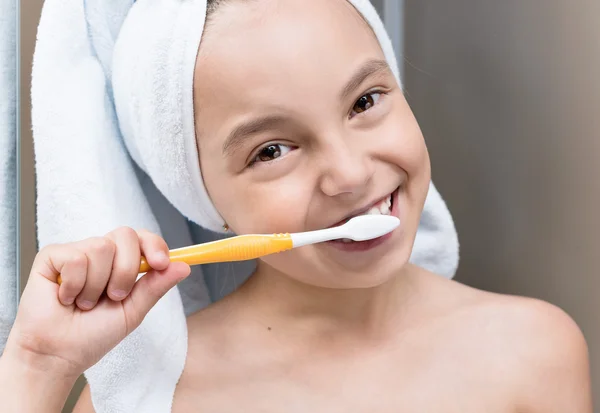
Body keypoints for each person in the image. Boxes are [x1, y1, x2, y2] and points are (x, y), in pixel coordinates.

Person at [1, 0, 592, 411]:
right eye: (273, 150)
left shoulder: (535, 349)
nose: (350, 174)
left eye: (365, 101)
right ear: (201, 196)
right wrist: (36, 368)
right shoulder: (163, 397)